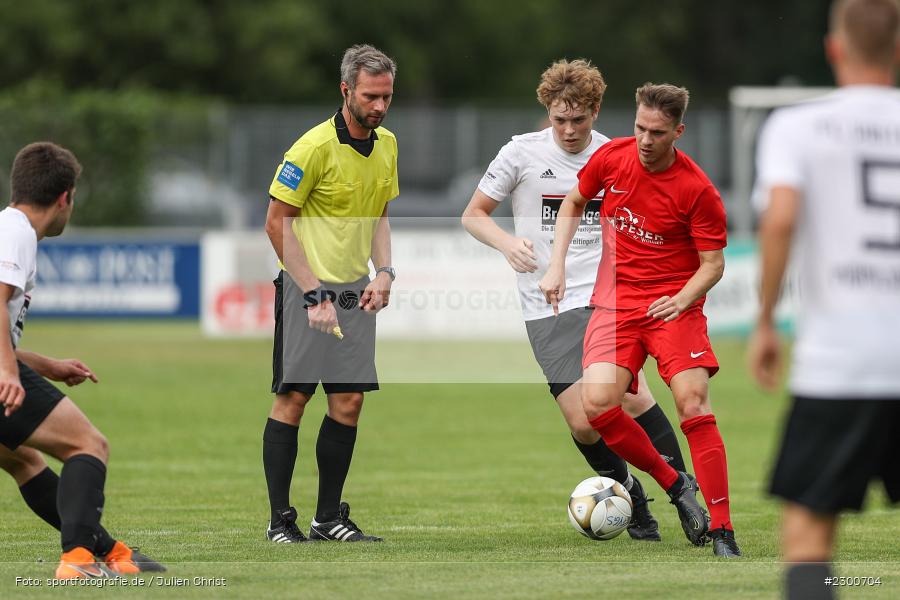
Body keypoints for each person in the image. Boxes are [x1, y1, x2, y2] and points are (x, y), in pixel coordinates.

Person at [461, 59, 690, 541]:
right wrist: (507, 244)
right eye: (558, 119)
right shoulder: (520, 153)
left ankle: (685, 495)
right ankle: (629, 490)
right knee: (583, 422)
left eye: (578, 120)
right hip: (544, 303)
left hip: (607, 297)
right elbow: (474, 214)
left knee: (631, 396)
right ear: (547, 111)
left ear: (596, 111)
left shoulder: (619, 153)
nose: (567, 130)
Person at [539, 83, 741, 557]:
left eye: (658, 132)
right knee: (598, 406)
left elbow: (713, 264)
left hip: (674, 307)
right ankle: (676, 486)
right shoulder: (613, 157)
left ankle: (724, 531)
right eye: (640, 128)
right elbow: (573, 202)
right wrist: (557, 263)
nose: (646, 140)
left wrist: (682, 297)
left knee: (693, 403)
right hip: (616, 306)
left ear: (678, 131)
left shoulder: (697, 190)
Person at [748, 0, 900, 596]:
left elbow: (781, 219)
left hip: (840, 359)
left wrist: (764, 321)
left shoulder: (797, 125)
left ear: (834, 48)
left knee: (810, 534)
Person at [0, 142, 165, 577]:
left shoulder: (8, 227)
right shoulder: (15, 231)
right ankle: (77, 561)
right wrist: (6, 370)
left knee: (24, 461)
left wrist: (44, 365)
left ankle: (112, 553)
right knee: (88, 445)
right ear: (64, 198)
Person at [262, 44, 398, 543]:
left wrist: (384, 271)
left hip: (356, 293)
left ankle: (327, 520)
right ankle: (280, 522)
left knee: (347, 405)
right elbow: (277, 224)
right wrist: (312, 293)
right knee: (293, 398)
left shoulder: (388, 145)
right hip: (307, 291)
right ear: (346, 91)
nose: (379, 106)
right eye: (370, 96)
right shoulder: (311, 148)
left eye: (386, 96)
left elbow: (380, 212)